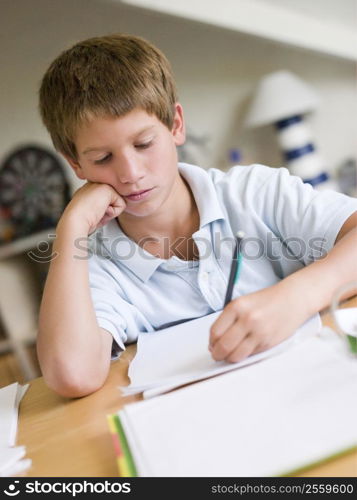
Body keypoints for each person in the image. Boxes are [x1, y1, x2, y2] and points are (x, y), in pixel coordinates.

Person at [37, 33, 357, 398]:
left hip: (316, 389)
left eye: (143, 144)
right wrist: (71, 228)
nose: (130, 173)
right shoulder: (98, 264)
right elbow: (72, 374)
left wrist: (295, 297)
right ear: (76, 163)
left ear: (175, 125)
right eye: (102, 158)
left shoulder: (253, 192)